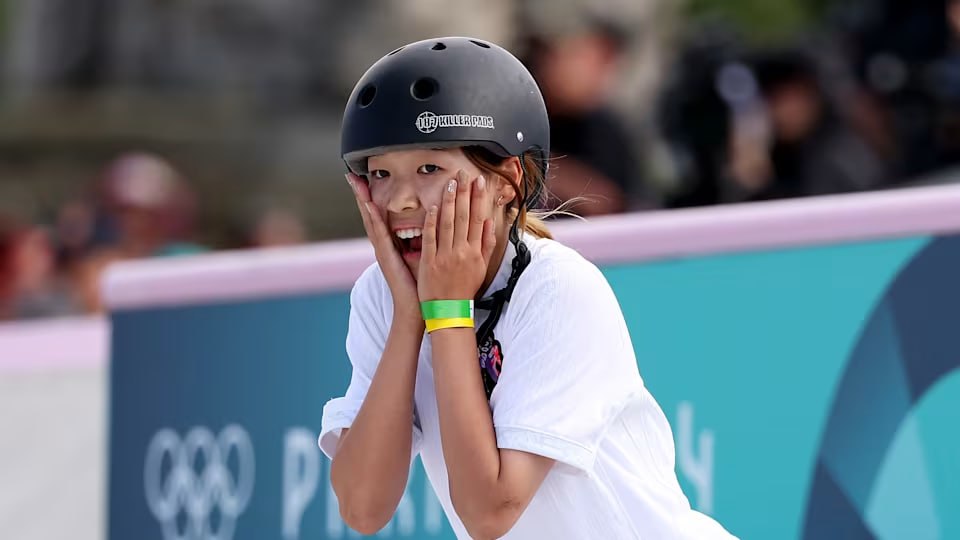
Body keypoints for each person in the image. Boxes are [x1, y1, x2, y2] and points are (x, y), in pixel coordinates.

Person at [317, 37, 736, 539]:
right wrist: (409, 319)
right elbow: (363, 509)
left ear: (508, 181)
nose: (400, 200)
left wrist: (446, 309)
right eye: (380, 173)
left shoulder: (557, 287)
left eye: (430, 168)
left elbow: (488, 512)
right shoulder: (382, 295)